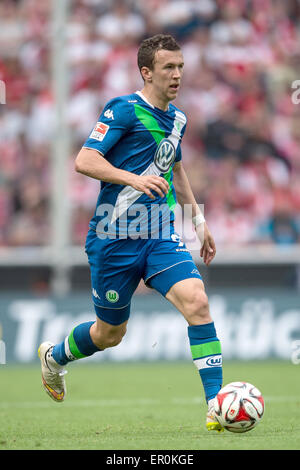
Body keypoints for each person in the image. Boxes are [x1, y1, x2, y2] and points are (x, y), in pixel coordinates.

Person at [38, 34, 224, 432]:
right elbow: (84, 160)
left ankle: (216, 406)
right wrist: (133, 180)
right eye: (168, 68)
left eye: (180, 68)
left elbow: (174, 165)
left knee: (197, 301)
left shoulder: (179, 119)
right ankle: (54, 357)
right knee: (109, 334)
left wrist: (197, 220)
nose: (177, 75)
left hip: (158, 233)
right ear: (146, 72)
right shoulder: (122, 109)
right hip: (113, 239)